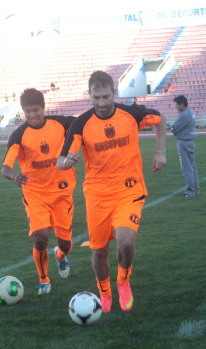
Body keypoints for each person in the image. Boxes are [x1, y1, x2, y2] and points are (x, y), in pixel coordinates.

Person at [57, 70, 166, 313]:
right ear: (90, 96)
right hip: (97, 196)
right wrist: (67, 162)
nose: (102, 103)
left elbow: (160, 119)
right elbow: (60, 161)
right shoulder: (80, 124)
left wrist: (161, 151)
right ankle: (104, 292)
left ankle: (123, 281)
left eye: (106, 97)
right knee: (99, 251)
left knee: (126, 242)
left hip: (129, 191)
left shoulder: (132, 114)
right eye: (96, 98)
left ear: (114, 93)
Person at [2, 88, 76, 295]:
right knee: (41, 236)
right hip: (35, 194)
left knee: (66, 244)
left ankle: (60, 255)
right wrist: (14, 176)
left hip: (62, 193)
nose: (32, 115)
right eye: (28, 111)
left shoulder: (60, 124)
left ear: (43, 108)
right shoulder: (19, 135)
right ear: (23, 111)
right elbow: (5, 167)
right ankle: (44, 279)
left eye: (36, 110)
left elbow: (82, 125)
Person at [172, 95, 200, 197]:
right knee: (192, 166)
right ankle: (196, 189)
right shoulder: (191, 113)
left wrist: (173, 130)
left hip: (184, 141)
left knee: (186, 167)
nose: (176, 107)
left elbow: (175, 127)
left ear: (182, 104)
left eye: (177, 104)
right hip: (190, 141)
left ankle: (190, 191)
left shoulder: (184, 114)